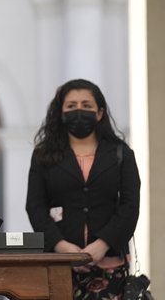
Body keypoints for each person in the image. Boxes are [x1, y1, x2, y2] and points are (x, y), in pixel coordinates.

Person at [26, 79, 140, 299]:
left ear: (99, 113)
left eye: (86, 105)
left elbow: (130, 205)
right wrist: (61, 247)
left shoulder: (121, 154)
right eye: (71, 106)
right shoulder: (43, 156)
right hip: (59, 265)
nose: (79, 111)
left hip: (111, 265)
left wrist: (102, 244)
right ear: (61, 113)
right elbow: (35, 206)